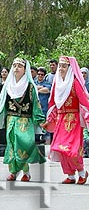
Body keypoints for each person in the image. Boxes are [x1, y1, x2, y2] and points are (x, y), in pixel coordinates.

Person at [0, 58, 46, 181]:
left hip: (25, 120)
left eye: (19, 66)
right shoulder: (8, 86)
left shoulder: (30, 87)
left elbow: (35, 106)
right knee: (12, 146)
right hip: (11, 120)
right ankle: (15, 172)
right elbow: (0, 105)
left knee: (24, 143)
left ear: (25, 70)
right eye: (14, 65)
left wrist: (41, 121)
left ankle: (25, 170)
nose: (16, 68)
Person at [44, 56, 89, 184]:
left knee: (72, 149)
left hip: (74, 119)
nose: (61, 69)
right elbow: (52, 102)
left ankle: (81, 172)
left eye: (64, 66)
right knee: (60, 148)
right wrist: (50, 118)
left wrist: (87, 116)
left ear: (69, 68)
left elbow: (84, 102)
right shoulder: (56, 83)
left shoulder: (74, 83)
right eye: (60, 66)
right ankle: (70, 175)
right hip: (60, 119)